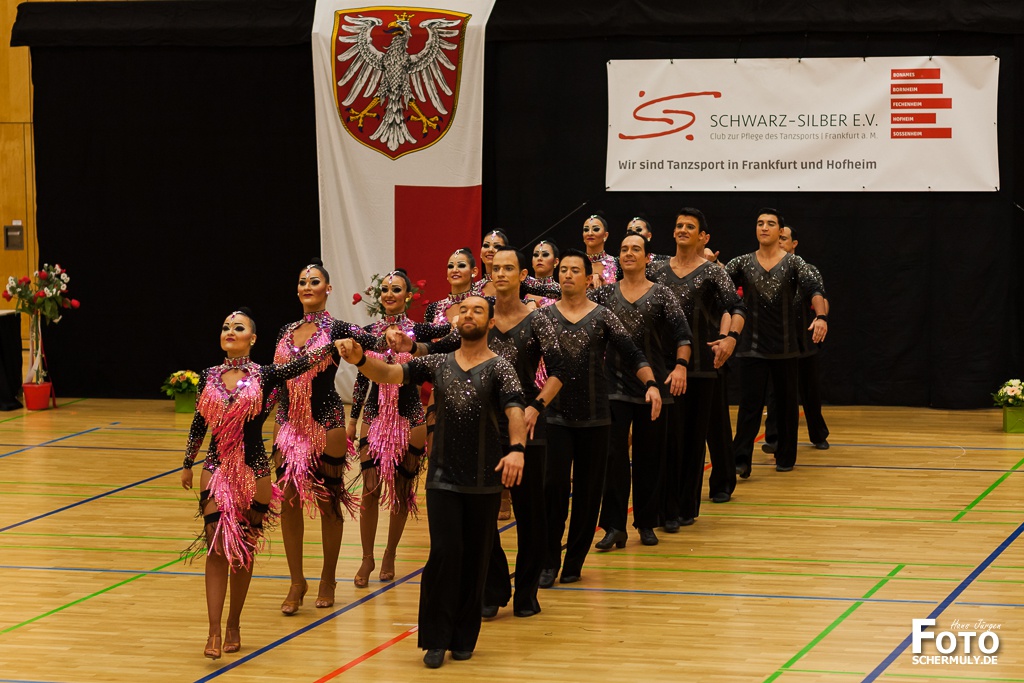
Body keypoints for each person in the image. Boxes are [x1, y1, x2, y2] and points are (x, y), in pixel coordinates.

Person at [336, 295, 527, 669]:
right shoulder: (439, 362)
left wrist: (517, 449)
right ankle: (436, 638)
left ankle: (464, 636)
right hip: (442, 478)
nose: (468, 314)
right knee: (443, 554)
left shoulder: (500, 367)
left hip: (484, 479)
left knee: (476, 557)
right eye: (464, 310)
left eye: (478, 310)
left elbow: (515, 410)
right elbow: (388, 374)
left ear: (490, 323)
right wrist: (359, 360)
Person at [181, 309, 346, 659]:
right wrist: (186, 463)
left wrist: (335, 344)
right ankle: (213, 630)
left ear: (252, 338)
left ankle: (233, 624)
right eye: (225, 327)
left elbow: (302, 365)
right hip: (215, 469)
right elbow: (199, 422)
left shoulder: (266, 375)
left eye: (238, 327)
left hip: (253, 472)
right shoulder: (208, 376)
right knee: (216, 548)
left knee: (242, 553)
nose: (230, 331)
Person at [538, 249, 660, 586]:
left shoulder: (603, 316)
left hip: (596, 418)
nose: (567, 275)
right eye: (563, 270)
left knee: (589, 494)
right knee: (553, 489)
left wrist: (651, 383)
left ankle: (574, 562)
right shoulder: (543, 318)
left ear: (589, 279)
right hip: (556, 418)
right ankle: (548, 561)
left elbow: (633, 353)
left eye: (575, 270)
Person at [274, 258, 378, 615]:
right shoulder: (285, 331)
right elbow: (277, 380)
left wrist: (396, 338)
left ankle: (328, 578)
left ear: (328, 289)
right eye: (303, 281)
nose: (307, 287)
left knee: (328, 502)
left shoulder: (338, 328)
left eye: (315, 281)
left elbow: (375, 342)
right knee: (288, 501)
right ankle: (296, 581)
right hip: (288, 424)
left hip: (326, 422)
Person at [348, 270, 451, 587]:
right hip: (374, 418)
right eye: (385, 290)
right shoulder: (368, 334)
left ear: (408, 296)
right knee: (370, 489)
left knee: (401, 493)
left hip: (410, 419)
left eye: (396, 289)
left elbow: (451, 333)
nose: (389, 294)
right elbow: (362, 377)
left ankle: (390, 553)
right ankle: (367, 557)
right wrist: (352, 419)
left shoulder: (419, 331)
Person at [480, 247, 565, 618]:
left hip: (528, 425)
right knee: (482, 513)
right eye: (495, 268)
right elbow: (447, 346)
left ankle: (527, 592)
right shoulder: (480, 315)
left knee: (531, 514)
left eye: (508, 268)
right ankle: (493, 586)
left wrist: (537, 406)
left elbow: (559, 370)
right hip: (486, 426)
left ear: (522, 275)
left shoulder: (538, 319)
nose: (500, 274)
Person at [590, 234, 691, 548]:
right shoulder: (603, 294)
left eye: (636, 249)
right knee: (613, 457)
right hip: (613, 387)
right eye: (624, 249)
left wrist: (680, 367)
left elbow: (683, 335)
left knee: (649, 456)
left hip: (653, 388)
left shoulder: (661, 294)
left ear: (648, 258)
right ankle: (614, 527)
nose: (629, 253)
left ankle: (647, 522)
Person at [650, 209, 746, 526]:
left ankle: (684, 508)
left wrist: (730, 339)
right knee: (666, 439)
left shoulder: (713, 273)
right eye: (678, 225)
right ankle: (663, 507)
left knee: (692, 440)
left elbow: (736, 307)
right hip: (663, 366)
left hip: (701, 367)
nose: (682, 229)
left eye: (689, 226)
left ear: (703, 236)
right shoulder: (656, 271)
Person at [725, 210, 827, 477]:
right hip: (752, 346)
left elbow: (815, 289)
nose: (764, 227)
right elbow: (721, 285)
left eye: (770, 224)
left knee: (786, 405)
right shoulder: (742, 262)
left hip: (785, 347)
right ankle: (741, 459)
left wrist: (821, 317)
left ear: (781, 231)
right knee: (749, 407)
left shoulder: (794, 263)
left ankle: (786, 456)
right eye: (760, 223)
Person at [762, 226, 831, 452]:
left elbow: (821, 298)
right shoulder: (767, 270)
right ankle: (774, 439)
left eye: (784, 238)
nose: (779, 241)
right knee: (775, 392)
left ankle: (818, 434)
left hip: (803, 337)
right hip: (776, 340)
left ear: (794, 244)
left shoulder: (807, 270)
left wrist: (821, 317)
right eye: (778, 238)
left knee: (810, 390)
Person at [424, 248, 479, 325]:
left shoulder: (483, 304)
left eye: (461, 265)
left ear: (474, 271)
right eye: (450, 266)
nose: (454, 270)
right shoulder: (434, 308)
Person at [581, 214, 620, 287]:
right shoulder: (576, 263)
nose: (590, 233)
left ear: (605, 235)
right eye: (586, 230)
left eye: (596, 229)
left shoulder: (617, 263)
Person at [477, 230, 509, 297]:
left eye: (497, 246)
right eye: (486, 245)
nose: (490, 250)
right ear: (480, 253)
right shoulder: (474, 288)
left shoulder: (516, 281)